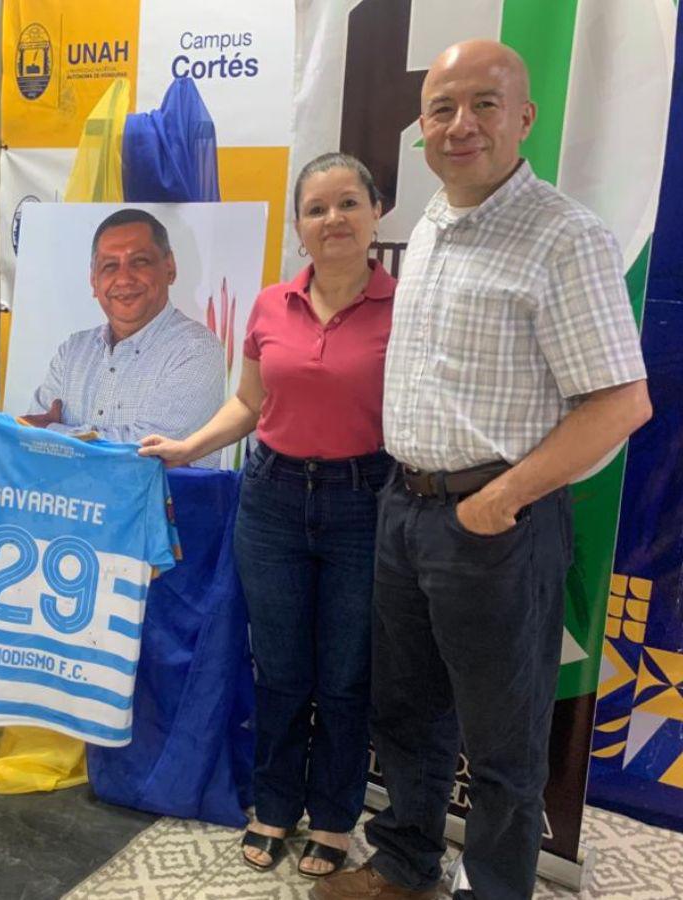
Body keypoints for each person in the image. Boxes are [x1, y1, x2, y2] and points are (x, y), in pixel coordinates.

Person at [316, 41, 651, 900]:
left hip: (495, 525)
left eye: (484, 105)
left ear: (524, 118)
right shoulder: (427, 223)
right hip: (405, 512)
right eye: (442, 108)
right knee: (405, 712)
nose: (460, 125)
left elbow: (621, 403)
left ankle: (495, 888)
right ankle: (403, 859)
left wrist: (499, 500)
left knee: (503, 740)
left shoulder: (563, 237)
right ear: (421, 125)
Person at [141, 153, 395, 878]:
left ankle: (338, 814)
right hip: (273, 500)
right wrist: (191, 445)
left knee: (347, 671)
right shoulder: (269, 304)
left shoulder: (403, 307)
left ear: (376, 213)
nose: (333, 220)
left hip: (363, 502)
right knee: (280, 666)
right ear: (299, 226)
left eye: (348, 203)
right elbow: (251, 403)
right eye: (316, 209)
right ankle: (278, 803)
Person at [24, 208, 225, 465]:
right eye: (109, 266)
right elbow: (29, 439)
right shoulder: (72, 352)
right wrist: (47, 435)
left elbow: (147, 454)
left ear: (170, 267)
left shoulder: (197, 351)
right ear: (94, 281)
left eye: (139, 262)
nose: (124, 278)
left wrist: (53, 431)